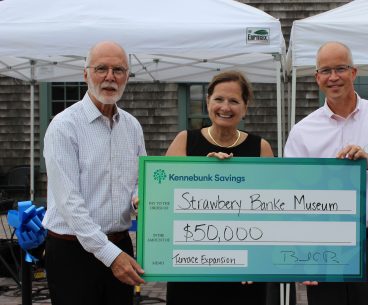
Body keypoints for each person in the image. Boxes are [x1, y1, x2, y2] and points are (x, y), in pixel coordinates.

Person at [284, 41, 368, 305]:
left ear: (354, 72)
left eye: (341, 69)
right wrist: (302, 253)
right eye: (326, 70)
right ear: (317, 78)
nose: (333, 77)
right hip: (323, 245)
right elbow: (292, 199)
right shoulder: (303, 131)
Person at [165, 70, 294, 305]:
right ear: (208, 102)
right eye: (219, 99)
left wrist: (258, 261)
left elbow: (273, 211)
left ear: (245, 107)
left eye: (234, 101)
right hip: (190, 267)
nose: (226, 107)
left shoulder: (260, 148)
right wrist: (205, 173)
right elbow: (164, 199)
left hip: (244, 273)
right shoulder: (184, 140)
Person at [43, 41, 146, 305]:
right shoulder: (64, 126)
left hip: (120, 244)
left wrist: (139, 198)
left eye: (119, 70)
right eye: (102, 68)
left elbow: (139, 180)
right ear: (86, 73)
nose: (110, 77)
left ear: (127, 77)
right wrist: (110, 255)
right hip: (72, 251)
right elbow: (69, 204)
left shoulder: (132, 126)